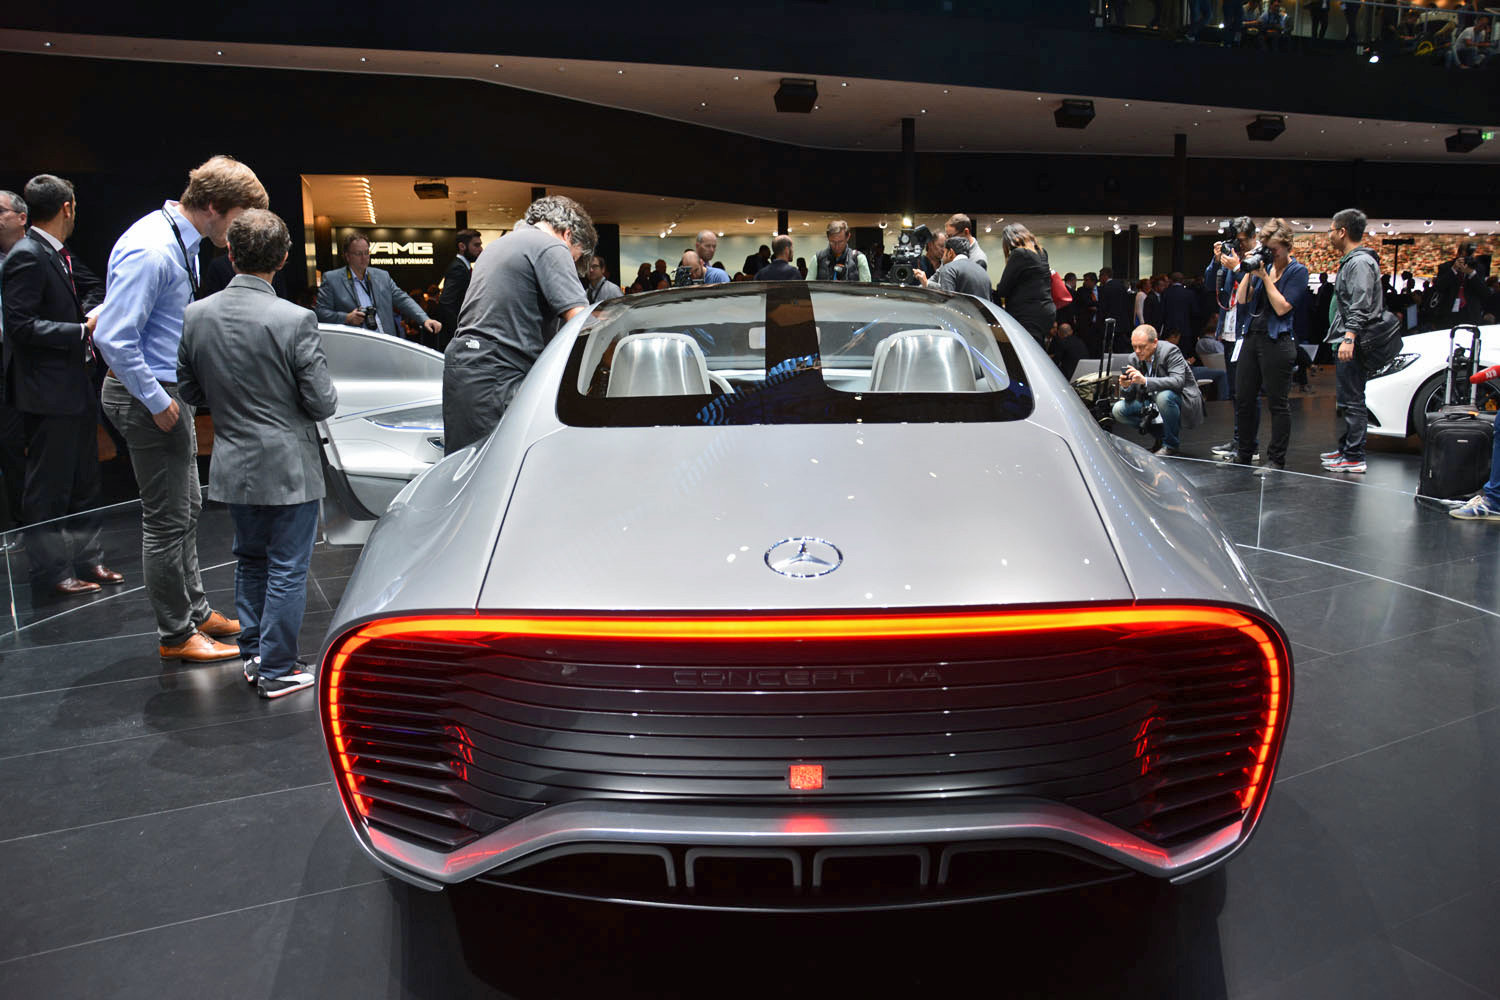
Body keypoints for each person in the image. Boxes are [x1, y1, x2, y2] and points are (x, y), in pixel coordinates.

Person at [95, 155, 265, 663]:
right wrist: (158, 400)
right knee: (167, 521)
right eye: (239, 219)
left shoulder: (174, 239)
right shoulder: (155, 249)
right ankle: (176, 634)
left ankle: (194, 611)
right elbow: (113, 337)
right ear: (213, 207)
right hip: (147, 397)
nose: (241, 233)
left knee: (187, 509)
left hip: (165, 394)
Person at [176, 209, 338, 698]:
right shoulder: (295, 319)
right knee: (288, 567)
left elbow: (187, 388)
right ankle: (278, 668)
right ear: (284, 258)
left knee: (249, 560)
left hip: (232, 462)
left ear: (231, 253)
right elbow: (322, 401)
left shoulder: (196, 314)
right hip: (288, 466)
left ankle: (255, 655)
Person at [0, 174, 121, 597]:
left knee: (86, 478)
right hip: (47, 391)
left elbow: (88, 289)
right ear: (68, 207)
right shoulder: (26, 255)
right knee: (48, 487)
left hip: (74, 383)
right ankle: (49, 573)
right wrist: (79, 329)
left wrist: (87, 312)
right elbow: (20, 325)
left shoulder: (58, 253)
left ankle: (90, 560)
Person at [442, 195, 594, 455]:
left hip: (464, 369)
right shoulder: (550, 246)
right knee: (504, 473)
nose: (571, 266)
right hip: (499, 374)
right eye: (574, 259)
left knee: (465, 471)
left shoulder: (498, 246)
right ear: (568, 235)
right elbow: (582, 323)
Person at [1230, 218, 1309, 470]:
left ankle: (1276, 458)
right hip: (1251, 338)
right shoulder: (1260, 266)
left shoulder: (1298, 271)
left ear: (1287, 246)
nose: (1271, 253)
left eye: (1274, 249)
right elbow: (1242, 300)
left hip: (1278, 341)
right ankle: (1244, 452)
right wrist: (1248, 269)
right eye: (1267, 248)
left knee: (1277, 402)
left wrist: (1264, 277)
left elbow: (1282, 307)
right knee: (1243, 398)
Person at [1320, 208, 1383, 476]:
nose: (1330, 236)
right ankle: (1347, 448)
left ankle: (1355, 456)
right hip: (1347, 340)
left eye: (1331, 230)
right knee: (1348, 399)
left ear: (1342, 231)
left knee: (1354, 399)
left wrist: (1349, 337)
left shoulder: (1359, 263)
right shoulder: (1353, 261)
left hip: (1353, 341)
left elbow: (1360, 303)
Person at [316, 232, 442, 341]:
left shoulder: (382, 276)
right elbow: (320, 313)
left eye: (366, 253)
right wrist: (347, 318)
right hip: (353, 346)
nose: (364, 258)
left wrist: (425, 319)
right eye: (358, 254)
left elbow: (403, 299)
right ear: (347, 256)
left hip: (384, 342)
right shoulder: (332, 279)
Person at [1111, 324, 1202, 457]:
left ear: (1154, 343)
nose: (1137, 351)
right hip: (1149, 400)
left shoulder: (1170, 351)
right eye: (1134, 346)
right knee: (1118, 410)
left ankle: (1171, 445)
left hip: (1180, 397)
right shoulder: (1133, 358)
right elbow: (1130, 397)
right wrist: (1126, 386)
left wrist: (1145, 381)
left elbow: (1178, 381)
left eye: (1142, 347)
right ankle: (1161, 436)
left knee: (1163, 397)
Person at [1207, 216, 1257, 459]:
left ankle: (1250, 443)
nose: (1238, 246)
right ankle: (1239, 439)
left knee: (1248, 391)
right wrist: (1216, 261)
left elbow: (1253, 291)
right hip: (1229, 331)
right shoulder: (1230, 259)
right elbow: (1210, 285)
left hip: (1247, 332)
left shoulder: (1258, 259)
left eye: (1241, 241)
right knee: (1237, 393)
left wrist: (1237, 267)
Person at [0, 189, 30, 539]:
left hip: (30, 360)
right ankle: (21, 524)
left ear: (21, 217)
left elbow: (88, 287)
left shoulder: (38, 253)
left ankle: (40, 524)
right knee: (8, 444)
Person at [990, 224, 1054, 347]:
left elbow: (1003, 289)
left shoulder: (1019, 254)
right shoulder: (1041, 252)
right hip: (1046, 311)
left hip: (1028, 314)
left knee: (1028, 355)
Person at [437, 228, 483, 351]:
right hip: (457, 336)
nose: (480, 249)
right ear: (462, 246)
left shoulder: (463, 267)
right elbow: (446, 302)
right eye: (476, 245)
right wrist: (459, 331)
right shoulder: (458, 268)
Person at [918, 234, 990, 299]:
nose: (942, 256)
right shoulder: (981, 270)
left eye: (945, 252)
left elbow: (947, 299)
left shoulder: (949, 269)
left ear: (950, 253)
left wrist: (927, 283)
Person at [1096, 267, 1133, 351]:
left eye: (1100, 276)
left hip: (1109, 324)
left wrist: (1099, 323)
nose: (1099, 279)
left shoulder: (1105, 288)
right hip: (1122, 322)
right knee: (1121, 348)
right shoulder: (1121, 286)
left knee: (1108, 348)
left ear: (1105, 275)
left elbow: (1103, 307)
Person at [1161, 272, 1196, 343]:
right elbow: (1194, 311)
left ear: (1171, 280)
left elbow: (1161, 312)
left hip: (1169, 328)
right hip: (1185, 328)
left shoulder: (1166, 293)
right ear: (1182, 280)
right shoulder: (1189, 293)